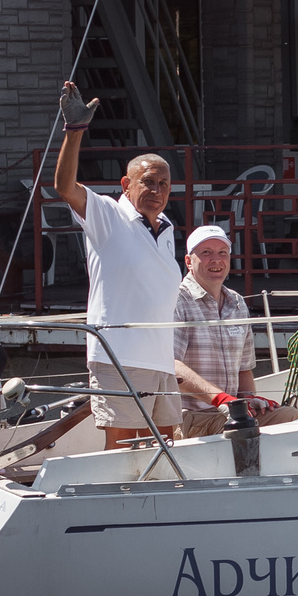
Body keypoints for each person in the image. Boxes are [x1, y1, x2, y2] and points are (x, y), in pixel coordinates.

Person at [51, 83, 184, 448]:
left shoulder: (168, 227)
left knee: (165, 446)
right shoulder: (108, 215)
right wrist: (75, 131)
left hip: (160, 359)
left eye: (164, 184)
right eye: (148, 183)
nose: (157, 190)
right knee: (123, 449)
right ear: (126, 185)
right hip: (120, 356)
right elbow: (65, 186)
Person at [171, 224, 274, 439]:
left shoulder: (237, 302)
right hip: (190, 416)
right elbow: (171, 366)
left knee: (291, 418)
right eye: (206, 253)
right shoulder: (176, 300)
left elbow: (244, 368)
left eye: (222, 253)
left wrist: (249, 399)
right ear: (189, 262)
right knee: (245, 431)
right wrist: (221, 399)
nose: (216, 260)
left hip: (232, 412)